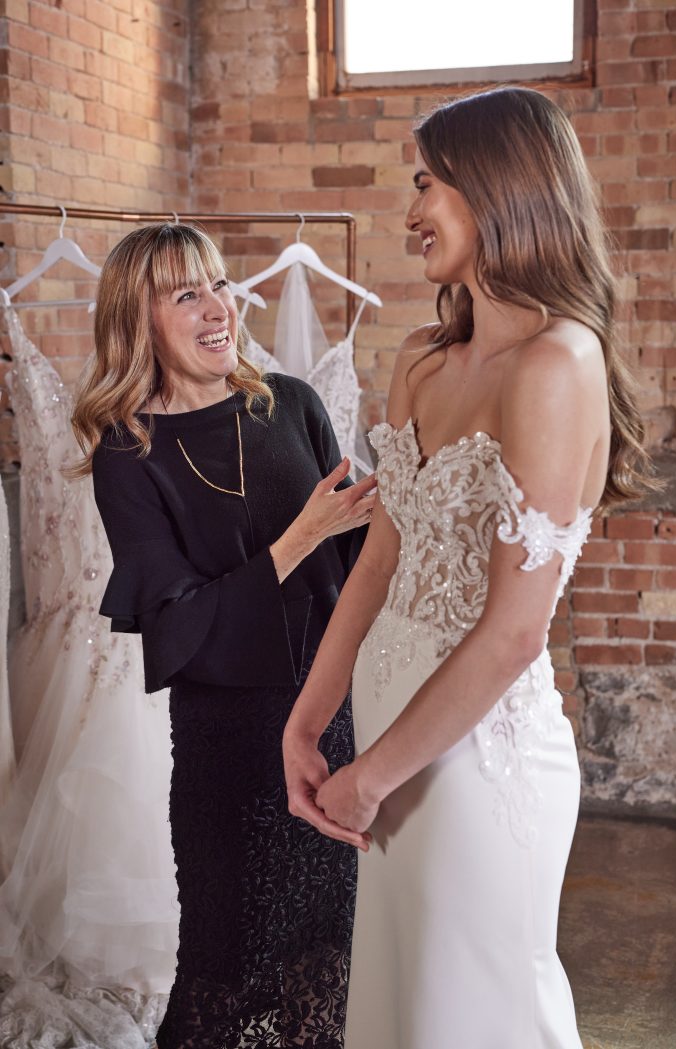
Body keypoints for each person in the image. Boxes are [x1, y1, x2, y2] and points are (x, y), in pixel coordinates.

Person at [283, 87, 658, 1049]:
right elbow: (379, 559)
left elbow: (511, 634)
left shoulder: (558, 364)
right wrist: (311, 716)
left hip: (471, 762)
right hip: (385, 743)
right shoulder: (420, 360)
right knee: (401, 1008)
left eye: (429, 185)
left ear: (499, 189)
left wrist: (370, 777)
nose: (412, 212)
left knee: (468, 1014)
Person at [71, 223, 374, 1049]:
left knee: (326, 963)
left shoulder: (295, 404)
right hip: (226, 749)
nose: (220, 307)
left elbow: (356, 575)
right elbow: (174, 630)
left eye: (220, 284)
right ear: (141, 321)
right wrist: (297, 537)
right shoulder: (126, 454)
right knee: (225, 968)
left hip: (330, 718)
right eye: (187, 293)